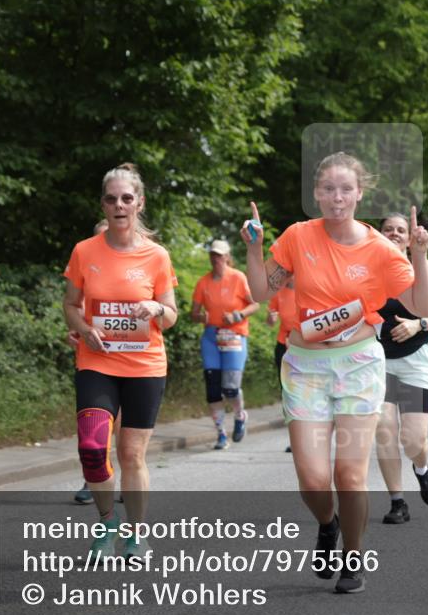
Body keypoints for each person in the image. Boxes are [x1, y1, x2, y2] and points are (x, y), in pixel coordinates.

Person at [242, 152, 428, 594]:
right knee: (312, 480)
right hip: (305, 366)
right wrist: (254, 248)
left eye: (346, 189)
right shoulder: (296, 237)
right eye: (328, 188)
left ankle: (353, 551)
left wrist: (420, 256)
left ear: (360, 194)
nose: (336, 197)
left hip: (358, 365)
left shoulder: (380, 249)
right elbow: (258, 290)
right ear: (316, 193)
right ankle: (326, 524)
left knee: (349, 474)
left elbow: (422, 307)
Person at [63, 163, 179, 560]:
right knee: (93, 447)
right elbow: (70, 306)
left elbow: (172, 314)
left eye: (127, 198)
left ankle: (136, 534)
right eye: (111, 198)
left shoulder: (156, 256)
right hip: (97, 361)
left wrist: (154, 307)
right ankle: (107, 521)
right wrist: (83, 326)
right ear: (103, 204)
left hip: (145, 365)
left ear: (139, 203)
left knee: (131, 454)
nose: (119, 205)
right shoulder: (84, 251)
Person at [374, 213, 428, 523]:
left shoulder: (423, 269)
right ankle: (397, 502)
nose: (394, 233)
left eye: (400, 230)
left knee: (412, 439)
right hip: (376, 363)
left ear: (409, 238)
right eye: (388, 229)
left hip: (416, 363)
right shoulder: (365, 270)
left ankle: (422, 470)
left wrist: (418, 324)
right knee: (384, 431)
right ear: (378, 234)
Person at [191, 239, 259, 449]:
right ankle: (221, 434)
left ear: (228, 257)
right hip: (212, 337)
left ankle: (240, 416)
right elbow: (193, 314)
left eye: (220, 255)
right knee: (212, 389)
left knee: (230, 388)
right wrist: (202, 317)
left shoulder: (238, 278)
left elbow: (255, 304)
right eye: (213, 255)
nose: (216, 259)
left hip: (234, 336)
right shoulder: (203, 282)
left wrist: (238, 315)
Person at [72, 219, 120, 505]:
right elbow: (74, 307)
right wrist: (75, 331)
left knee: (123, 428)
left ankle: (128, 479)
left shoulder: (135, 266)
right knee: (95, 427)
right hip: (93, 359)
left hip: (131, 362)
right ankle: (92, 479)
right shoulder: (86, 265)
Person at [266, 275, 297, 452]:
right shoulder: (279, 292)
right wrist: (271, 318)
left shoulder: (308, 289)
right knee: (288, 393)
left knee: (304, 391)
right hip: (283, 345)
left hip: (305, 345)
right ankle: (294, 438)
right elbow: (270, 322)